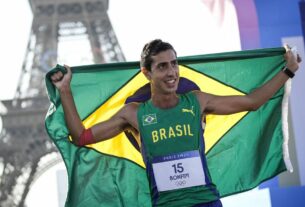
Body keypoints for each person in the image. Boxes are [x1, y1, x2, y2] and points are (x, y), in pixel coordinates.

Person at [50, 39, 301, 207]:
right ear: (146, 72)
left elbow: (252, 101)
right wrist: (65, 91)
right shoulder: (133, 114)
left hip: (206, 201)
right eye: (162, 67)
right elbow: (81, 136)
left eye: (174, 64)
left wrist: (288, 71)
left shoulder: (196, 102)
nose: (171, 72)